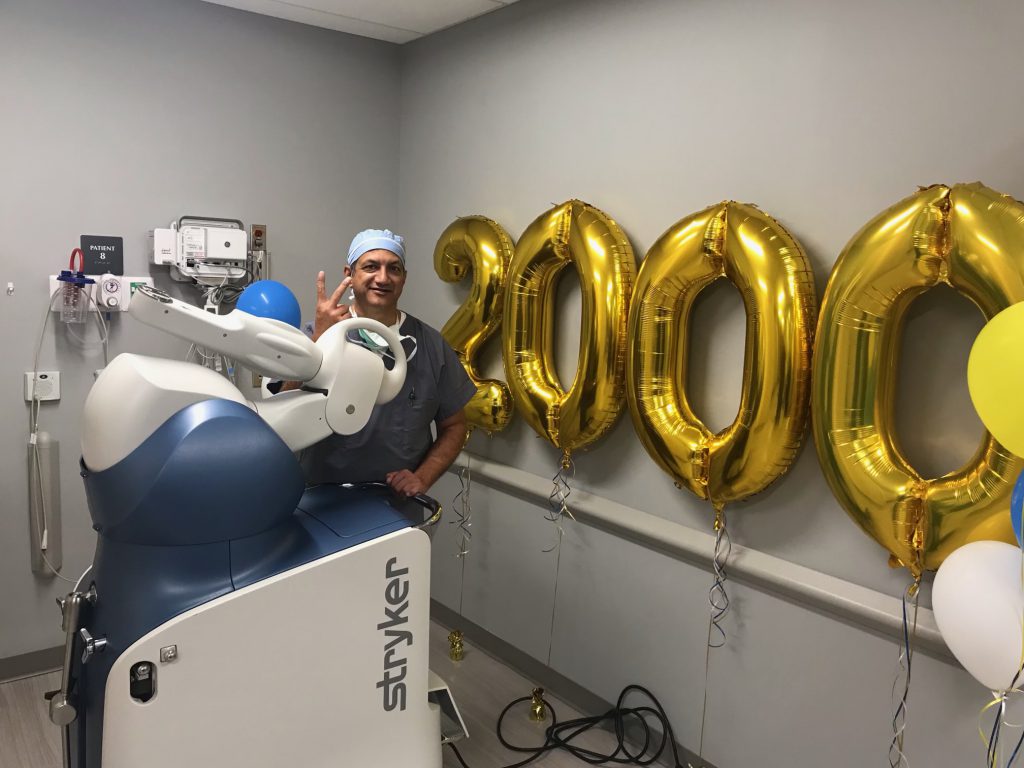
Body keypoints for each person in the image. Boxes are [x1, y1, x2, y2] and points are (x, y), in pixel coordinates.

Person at [294, 228, 475, 497]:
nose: (383, 278)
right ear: (349, 275)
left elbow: (455, 426)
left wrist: (422, 478)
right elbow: (281, 404)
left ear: (403, 279)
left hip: (396, 504)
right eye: (370, 266)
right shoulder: (315, 335)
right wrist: (319, 340)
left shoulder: (430, 345)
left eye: (394, 269)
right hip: (322, 499)